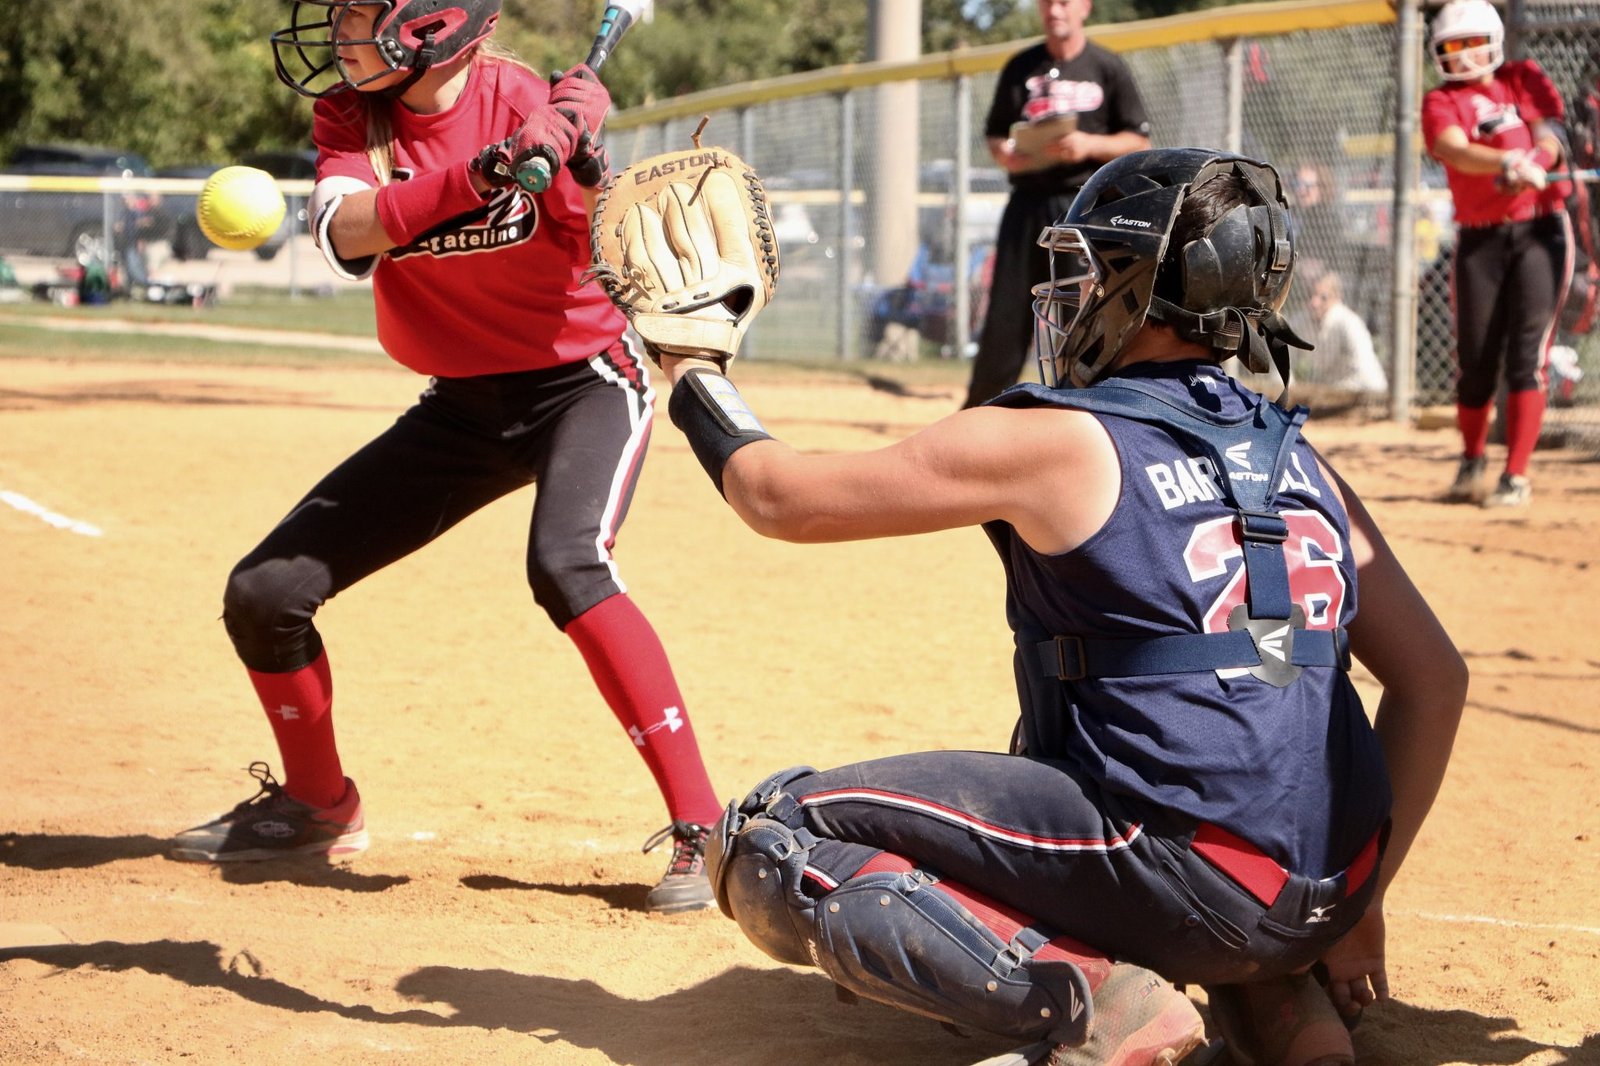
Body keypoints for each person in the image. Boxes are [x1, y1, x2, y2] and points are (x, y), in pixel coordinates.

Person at [648, 150, 1466, 1064]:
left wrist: (688, 368)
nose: (1069, 294)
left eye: (1087, 269)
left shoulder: (1062, 438)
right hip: (1324, 891)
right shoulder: (1301, 459)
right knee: (1204, 722)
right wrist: (1362, 902)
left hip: (1185, 871)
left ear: (1139, 286)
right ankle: (1285, 1007)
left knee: (774, 833)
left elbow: (779, 497)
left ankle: (1102, 1006)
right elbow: (1434, 678)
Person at [171, 0, 725, 914]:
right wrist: (485, 172)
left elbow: (596, 244)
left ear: (433, 29)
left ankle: (704, 828)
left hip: (582, 381)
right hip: (460, 405)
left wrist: (581, 162)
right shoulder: (355, 115)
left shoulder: (522, 101)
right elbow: (350, 233)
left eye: (359, 23)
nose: (341, 42)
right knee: (266, 592)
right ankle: (319, 803)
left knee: (566, 564)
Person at [961, 0, 1151, 409]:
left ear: (1085, 7)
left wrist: (1088, 144)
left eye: (1064, 1)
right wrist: (1007, 154)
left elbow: (1139, 140)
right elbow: (996, 133)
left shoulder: (1106, 66)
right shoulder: (1021, 66)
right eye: (1046, 2)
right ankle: (982, 410)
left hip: (1085, 206)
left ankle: (1085, 406)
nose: (1054, 10)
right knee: (1007, 314)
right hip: (1027, 203)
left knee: (1081, 312)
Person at [1421, 0, 1574, 508]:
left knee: (1528, 357)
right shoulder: (1441, 101)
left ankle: (1516, 475)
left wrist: (1534, 159)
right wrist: (1506, 159)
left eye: (1471, 46)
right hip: (1480, 237)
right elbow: (1452, 146)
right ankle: (1472, 460)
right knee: (1477, 359)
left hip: (1541, 230)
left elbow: (1551, 135)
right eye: (1452, 49)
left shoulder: (1521, 77)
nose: (1463, 59)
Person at [1304, 269, 1388, 399]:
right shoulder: (1305, 319)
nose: (1314, 303)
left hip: (1365, 391)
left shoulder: (1348, 322)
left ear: (1337, 298)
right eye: (1311, 295)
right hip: (1334, 390)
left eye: (1323, 297)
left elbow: (1364, 368)